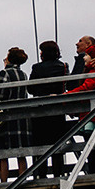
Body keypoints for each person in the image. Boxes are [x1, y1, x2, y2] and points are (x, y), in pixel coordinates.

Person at [65, 37, 95, 174]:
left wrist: (66, 96)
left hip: (94, 113)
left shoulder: (94, 71)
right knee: (94, 145)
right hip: (92, 112)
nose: (84, 58)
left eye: (86, 55)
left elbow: (86, 87)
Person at [26, 41, 70, 177]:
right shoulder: (63, 66)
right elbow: (67, 85)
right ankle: (58, 175)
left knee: (40, 146)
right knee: (57, 145)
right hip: (58, 110)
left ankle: (41, 175)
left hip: (40, 110)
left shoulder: (37, 67)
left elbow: (30, 88)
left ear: (44, 53)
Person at [0, 46, 30, 181]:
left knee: (3, 154)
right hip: (21, 117)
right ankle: (22, 180)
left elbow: (1, 95)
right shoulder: (23, 74)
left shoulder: (4, 73)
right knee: (21, 153)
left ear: (9, 58)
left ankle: (4, 182)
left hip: (6, 117)